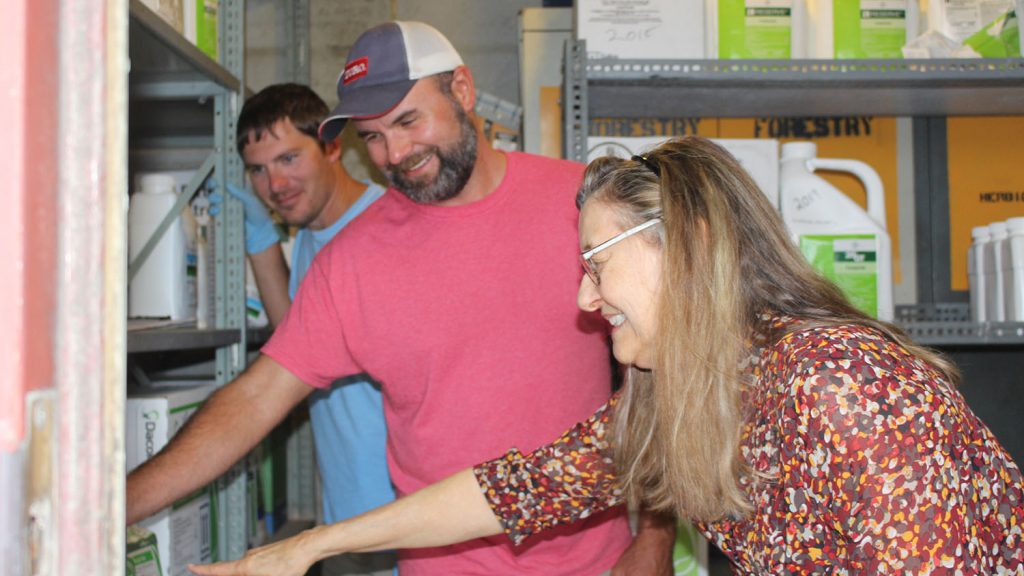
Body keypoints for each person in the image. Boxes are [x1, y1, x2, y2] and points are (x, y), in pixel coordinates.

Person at [191, 136, 1024, 576]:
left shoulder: (846, 385)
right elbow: (508, 488)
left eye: (598, 264)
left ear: (690, 245)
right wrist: (304, 549)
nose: (587, 301)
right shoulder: (678, 399)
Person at [128, 21, 675, 576]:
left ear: (462, 89)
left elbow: (660, 379)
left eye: (408, 120)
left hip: (592, 562)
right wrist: (118, 506)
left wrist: (654, 537)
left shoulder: (580, 205)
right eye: (372, 136)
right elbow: (254, 400)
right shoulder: (352, 262)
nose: (395, 152)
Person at [137, 82, 398, 575]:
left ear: (332, 146)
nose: (275, 184)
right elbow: (297, 346)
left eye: (289, 159)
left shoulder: (385, 228)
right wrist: (261, 240)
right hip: (347, 514)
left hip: (406, 520)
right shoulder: (308, 237)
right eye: (259, 169)